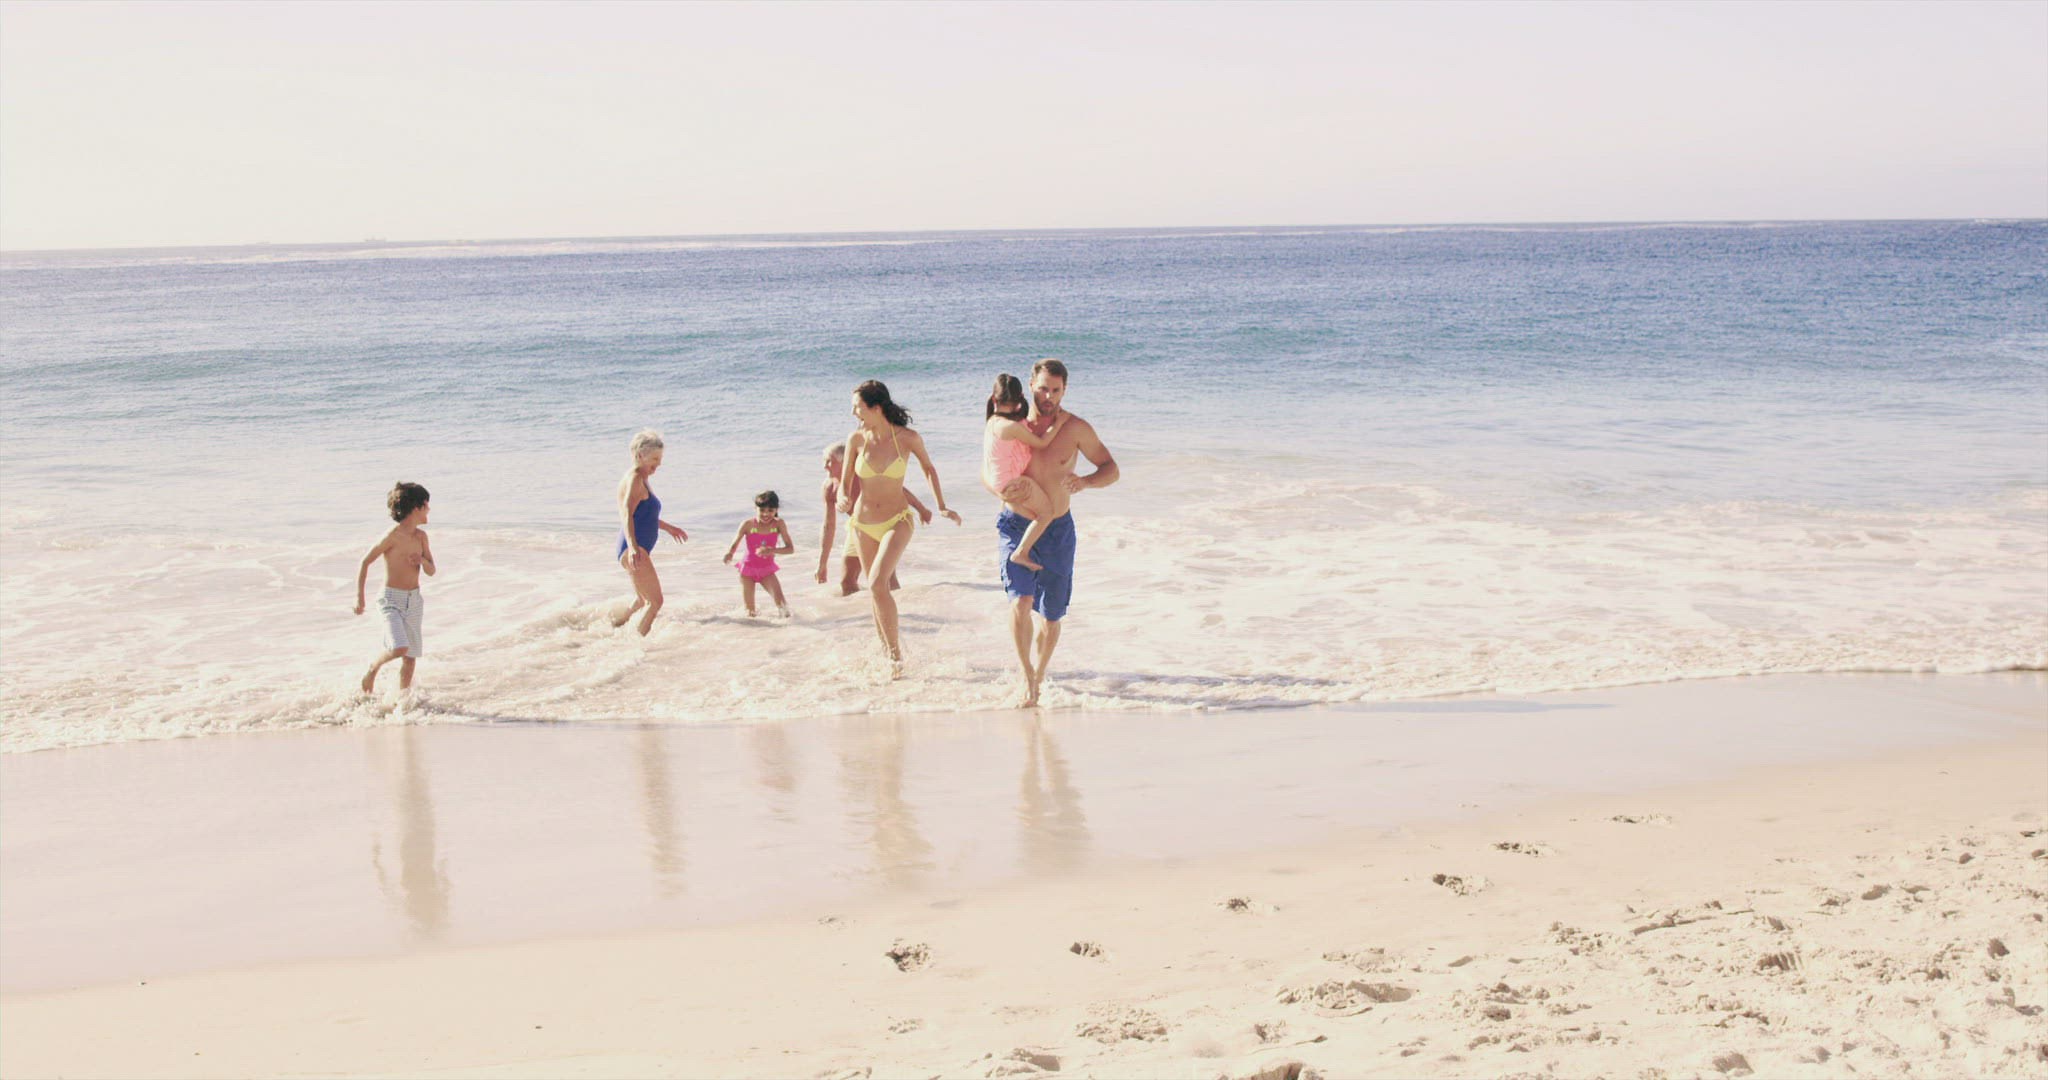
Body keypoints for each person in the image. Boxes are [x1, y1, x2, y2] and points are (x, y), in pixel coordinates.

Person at [1001, 359, 1118, 707]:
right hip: (1016, 525)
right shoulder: (1012, 426)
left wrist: (1086, 482)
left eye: (1055, 390)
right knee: (1021, 601)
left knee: (1051, 616)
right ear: (1030, 386)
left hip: (1057, 531)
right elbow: (986, 466)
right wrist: (997, 489)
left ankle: (1039, 674)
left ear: (1065, 390)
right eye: (1042, 389)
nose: (1048, 396)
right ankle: (1027, 677)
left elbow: (1111, 469)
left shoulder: (1076, 428)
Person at [836, 380, 961, 674]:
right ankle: (888, 659)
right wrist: (842, 497)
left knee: (877, 583)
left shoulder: (907, 438)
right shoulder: (856, 439)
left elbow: (929, 468)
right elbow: (846, 481)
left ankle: (896, 659)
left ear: (876, 407)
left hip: (897, 520)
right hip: (863, 524)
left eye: (857, 407)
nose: (853, 413)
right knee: (876, 591)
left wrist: (941, 505)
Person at [354, 481, 436, 694]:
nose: (429, 509)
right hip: (391, 600)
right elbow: (365, 562)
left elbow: (432, 570)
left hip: (414, 601)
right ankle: (373, 668)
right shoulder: (392, 536)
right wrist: (360, 599)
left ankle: (402, 700)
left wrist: (422, 561)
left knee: (410, 657)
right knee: (400, 647)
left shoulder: (421, 537)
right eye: (426, 505)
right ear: (416, 508)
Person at [817, 442, 931, 596]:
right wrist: (822, 563)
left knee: (886, 579)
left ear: (844, 462)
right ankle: (862, 608)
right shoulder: (829, 487)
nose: (824, 466)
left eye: (829, 461)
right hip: (857, 526)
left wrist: (921, 509)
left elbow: (898, 489)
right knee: (847, 582)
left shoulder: (863, 476)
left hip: (883, 523)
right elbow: (828, 526)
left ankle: (899, 608)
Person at [982, 373, 1069, 572]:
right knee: (1047, 513)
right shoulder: (1010, 427)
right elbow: (1042, 443)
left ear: (994, 398)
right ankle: (1021, 552)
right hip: (1013, 482)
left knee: (1031, 513)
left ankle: (1022, 544)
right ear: (1020, 397)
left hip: (998, 480)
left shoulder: (992, 421)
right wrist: (1059, 422)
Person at [611, 429, 689, 636]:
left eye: (660, 459)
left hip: (630, 547)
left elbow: (644, 516)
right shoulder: (635, 479)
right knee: (655, 602)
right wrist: (633, 548)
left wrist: (669, 528)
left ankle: (615, 627)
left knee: (641, 600)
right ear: (639, 456)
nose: (658, 464)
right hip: (634, 548)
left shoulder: (639, 478)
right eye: (654, 459)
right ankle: (636, 643)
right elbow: (626, 514)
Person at [724, 490, 795, 617]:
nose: (766, 514)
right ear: (755, 508)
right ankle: (754, 629)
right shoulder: (748, 524)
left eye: (770, 510)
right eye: (762, 510)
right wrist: (730, 553)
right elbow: (735, 542)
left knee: (784, 609)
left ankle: (790, 628)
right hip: (747, 571)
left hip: (767, 571)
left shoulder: (778, 524)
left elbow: (790, 549)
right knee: (750, 612)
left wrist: (771, 550)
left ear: (776, 509)